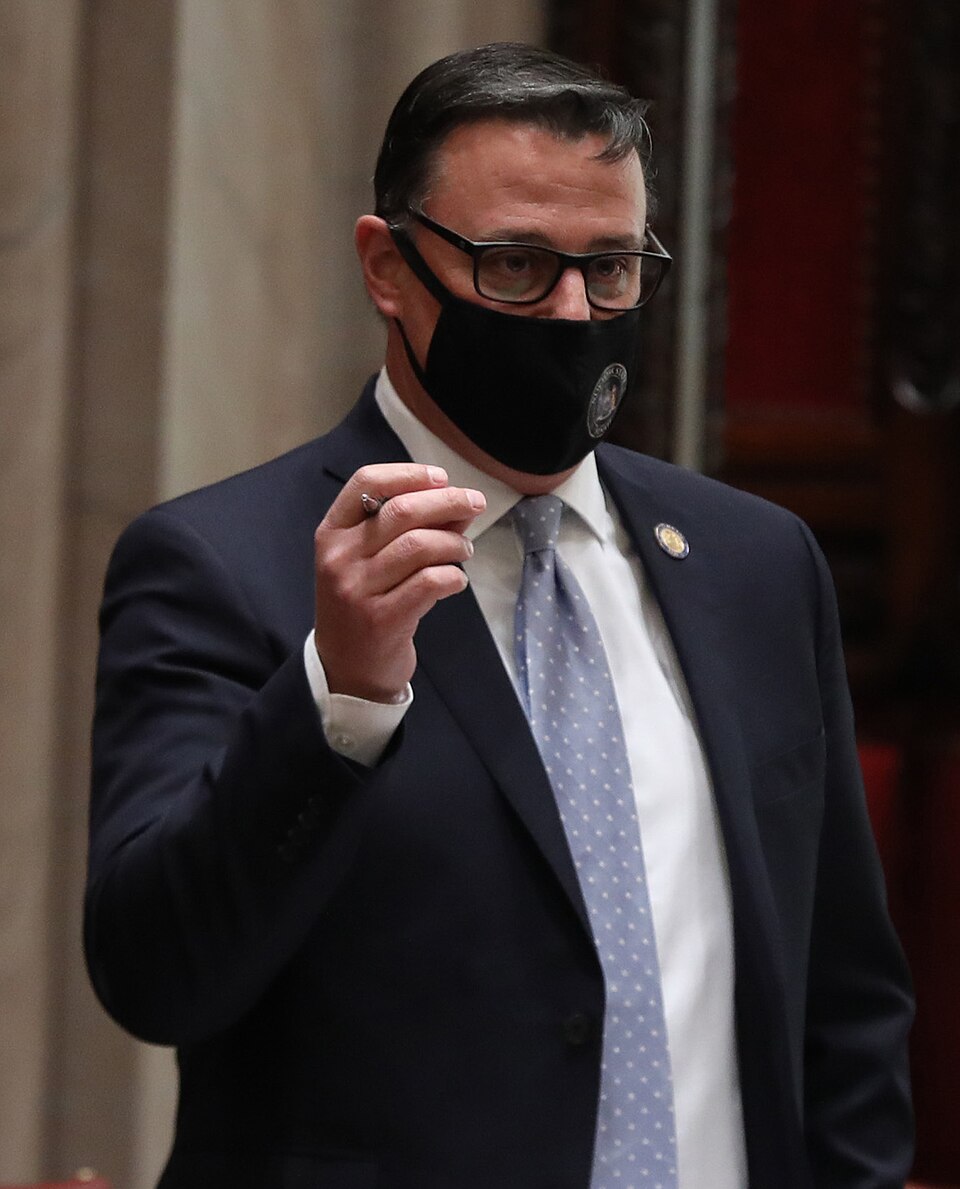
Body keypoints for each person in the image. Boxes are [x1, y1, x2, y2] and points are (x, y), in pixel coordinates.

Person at [85, 42, 913, 1189]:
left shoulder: (755, 562)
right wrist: (341, 696)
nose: (575, 313)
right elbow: (158, 973)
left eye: (612, 269)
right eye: (518, 266)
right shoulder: (225, 564)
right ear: (389, 267)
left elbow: (845, 992)